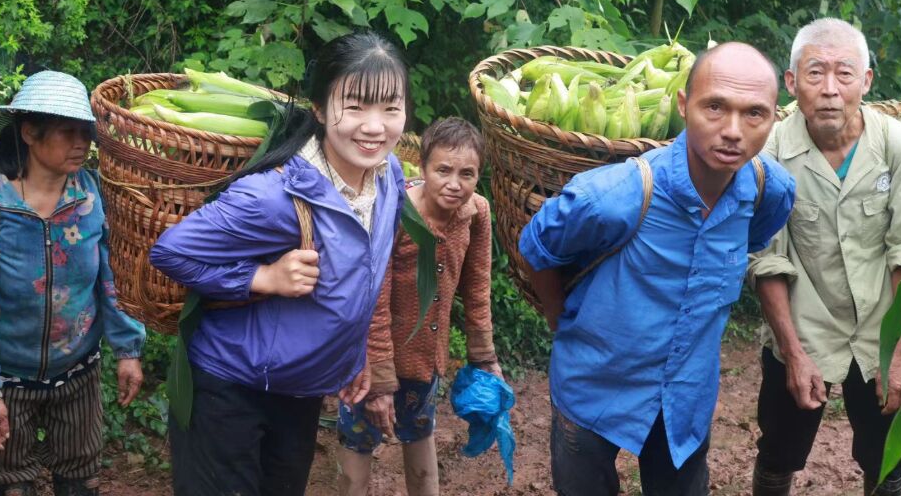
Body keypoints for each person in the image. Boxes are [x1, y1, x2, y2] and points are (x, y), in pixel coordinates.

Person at [520, 42, 797, 496]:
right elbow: (538, 246)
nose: (733, 130)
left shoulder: (770, 191)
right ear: (683, 106)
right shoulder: (616, 196)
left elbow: (751, 240)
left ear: (774, 118)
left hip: (687, 397)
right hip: (594, 384)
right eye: (715, 107)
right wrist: (559, 317)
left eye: (754, 114)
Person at [149, 31, 411, 496]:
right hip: (230, 386)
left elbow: (363, 275)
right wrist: (263, 276)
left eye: (390, 108)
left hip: (299, 388)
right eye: (354, 106)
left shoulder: (389, 176)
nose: (375, 126)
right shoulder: (275, 196)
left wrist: (354, 353)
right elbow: (171, 251)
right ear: (318, 108)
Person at [748, 19, 901, 496]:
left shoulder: (900, 146)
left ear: (867, 81)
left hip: (882, 325)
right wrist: (791, 351)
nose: (830, 89)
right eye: (815, 74)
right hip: (803, 325)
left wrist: (898, 353)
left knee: (887, 455)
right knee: (779, 451)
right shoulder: (769, 151)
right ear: (791, 83)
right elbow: (768, 261)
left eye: (844, 74)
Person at [0, 71, 147, 496]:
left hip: (78, 371)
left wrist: (128, 349)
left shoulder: (92, 198)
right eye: (67, 131)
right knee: (11, 483)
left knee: (81, 479)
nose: (81, 142)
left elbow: (111, 279)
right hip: (7, 378)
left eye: (86, 132)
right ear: (30, 132)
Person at [336, 117, 500, 496]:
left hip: (425, 362)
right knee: (355, 461)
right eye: (443, 170)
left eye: (467, 173)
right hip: (366, 360)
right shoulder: (394, 211)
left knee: (423, 461)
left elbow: (477, 288)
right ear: (423, 167)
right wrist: (377, 382)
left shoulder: (476, 213)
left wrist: (484, 357)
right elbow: (373, 298)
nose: (454, 183)